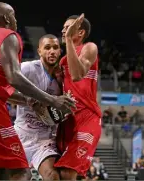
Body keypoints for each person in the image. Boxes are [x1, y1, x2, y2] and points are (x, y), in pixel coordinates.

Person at [0, 2, 75, 180]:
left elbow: (1, 87)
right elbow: (14, 78)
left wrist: (29, 101)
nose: (16, 20)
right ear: (6, 18)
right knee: (21, 173)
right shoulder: (9, 35)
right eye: (13, 15)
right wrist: (52, 100)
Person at [54, 14, 102, 180]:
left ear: (80, 32)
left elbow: (76, 75)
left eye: (67, 28)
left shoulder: (89, 48)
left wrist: (68, 39)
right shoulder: (62, 61)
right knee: (57, 174)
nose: (63, 30)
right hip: (68, 119)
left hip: (88, 118)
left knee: (68, 172)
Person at [14, 34, 62, 180]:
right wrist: (29, 101)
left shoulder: (61, 79)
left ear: (60, 51)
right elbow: (1, 89)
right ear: (39, 51)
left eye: (55, 48)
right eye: (47, 48)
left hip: (44, 140)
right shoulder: (28, 68)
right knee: (21, 177)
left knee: (52, 175)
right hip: (22, 135)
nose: (52, 51)